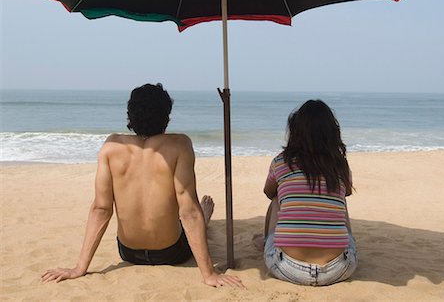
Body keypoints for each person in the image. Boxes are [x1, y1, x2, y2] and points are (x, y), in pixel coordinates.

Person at [41, 83, 243, 288]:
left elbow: (101, 209)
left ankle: (203, 216)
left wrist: (79, 268)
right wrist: (209, 274)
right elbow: (188, 211)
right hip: (171, 253)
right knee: (195, 212)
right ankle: (206, 217)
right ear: (166, 116)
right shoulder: (180, 145)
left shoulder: (111, 146)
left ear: (130, 115)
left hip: (129, 252)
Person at [260, 99, 357, 286]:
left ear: (295, 131)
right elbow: (347, 194)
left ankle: (267, 242)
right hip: (338, 269)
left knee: (276, 199)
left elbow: (267, 192)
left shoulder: (281, 162)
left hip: (287, 267)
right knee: (340, 201)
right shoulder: (339, 165)